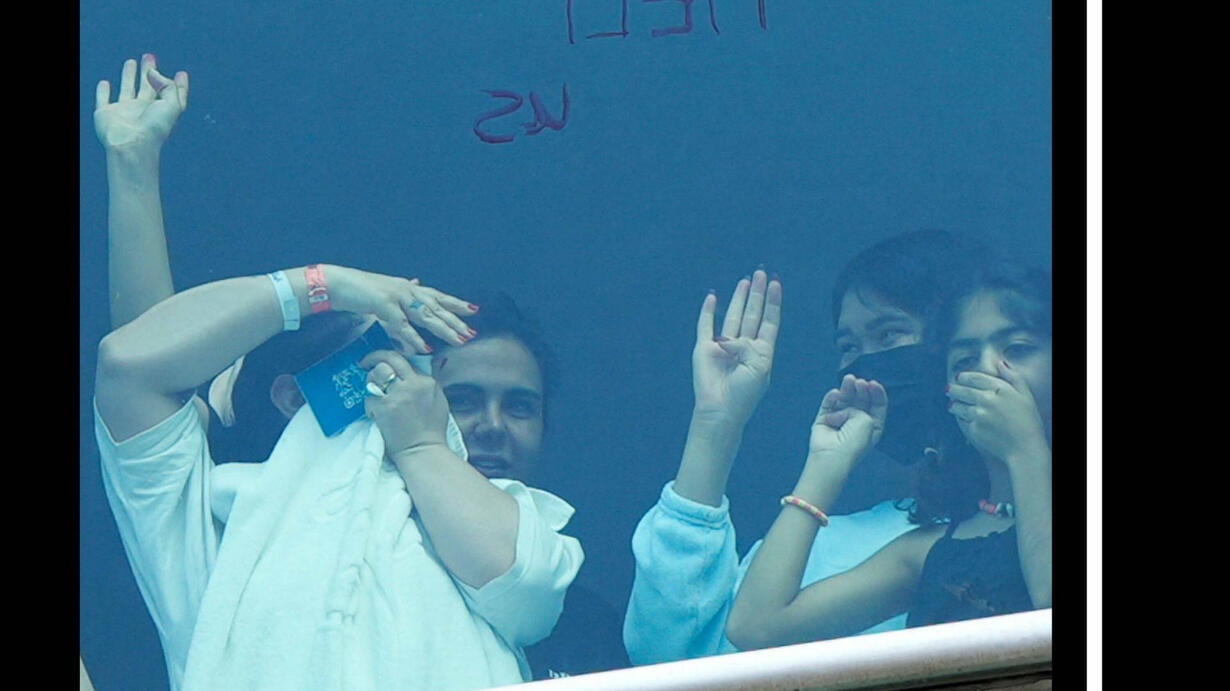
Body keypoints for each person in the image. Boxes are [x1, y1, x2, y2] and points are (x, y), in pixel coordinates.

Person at [92, 55, 619, 685]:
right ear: (294, 397)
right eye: (377, 350)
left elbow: (517, 580)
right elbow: (137, 362)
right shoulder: (222, 526)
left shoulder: (512, 518)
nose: (405, 378)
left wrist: (422, 446)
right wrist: (324, 286)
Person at [623, 230, 992, 665]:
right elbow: (667, 655)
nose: (863, 366)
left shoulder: (1026, 523)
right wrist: (715, 423)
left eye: (890, 334)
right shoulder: (806, 551)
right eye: (849, 348)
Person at [725, 263, 1051, 648]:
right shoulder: (930, 550)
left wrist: (1024, 450)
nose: (988, 368)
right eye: (964, 360)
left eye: (1017, 349)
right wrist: (827, 464)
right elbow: (755, 626)